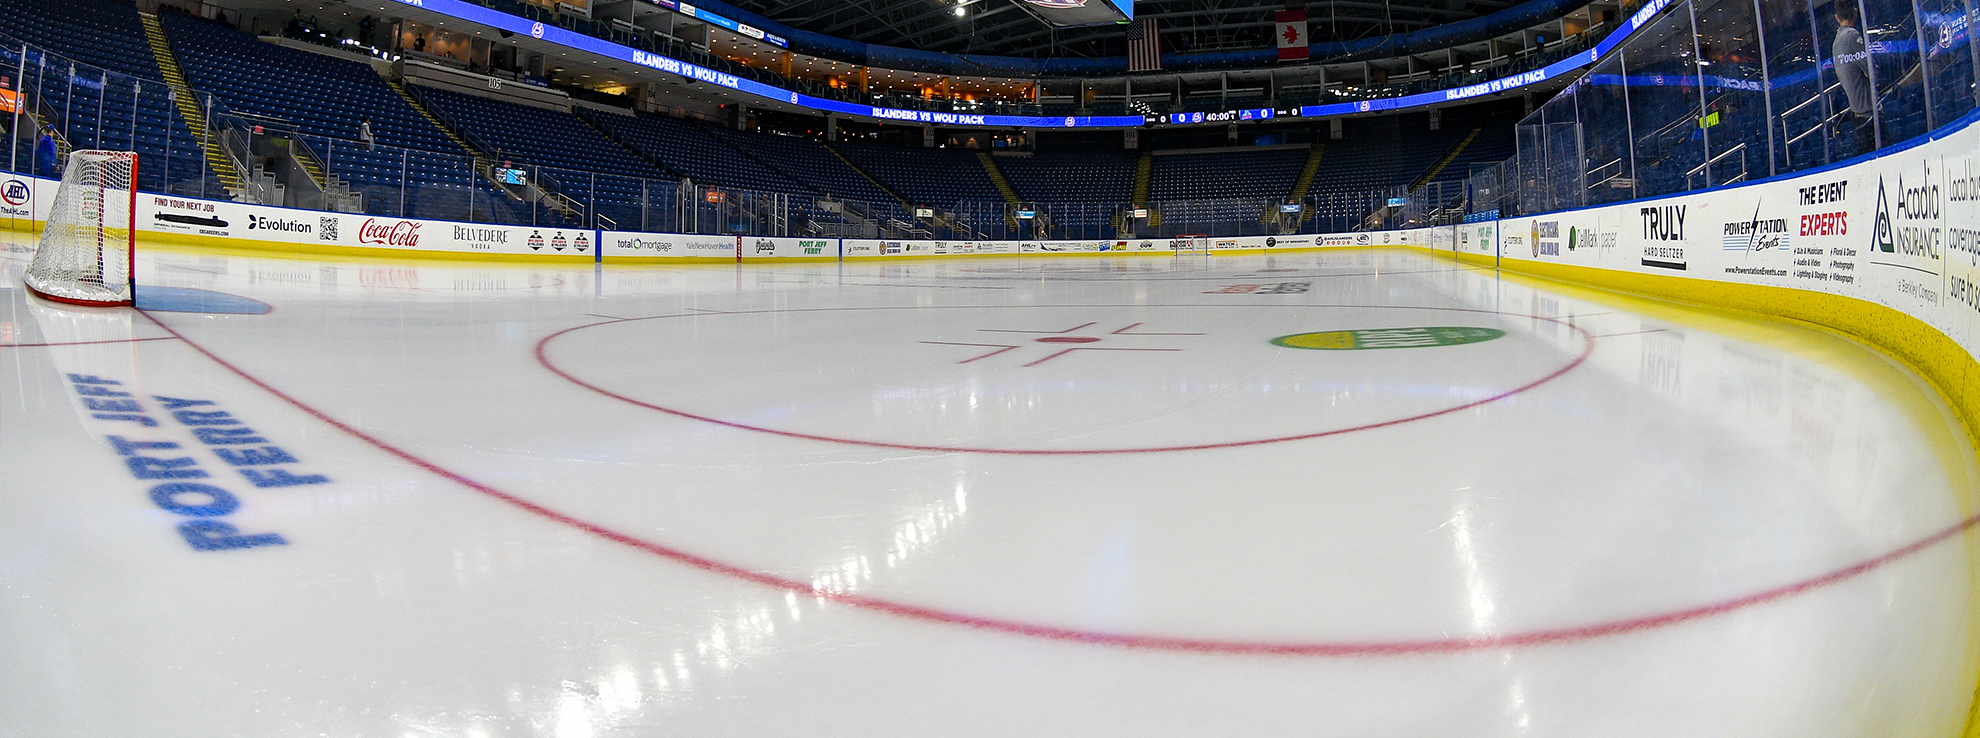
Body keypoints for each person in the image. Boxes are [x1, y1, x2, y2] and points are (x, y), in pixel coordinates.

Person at [1833, 2, 1876, 155]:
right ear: (1856, 12)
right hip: (1869, 114)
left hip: (1857, 112)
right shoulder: (1852, 35)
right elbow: (1871, 70)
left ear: (1837, 18)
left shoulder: (1836, 41)